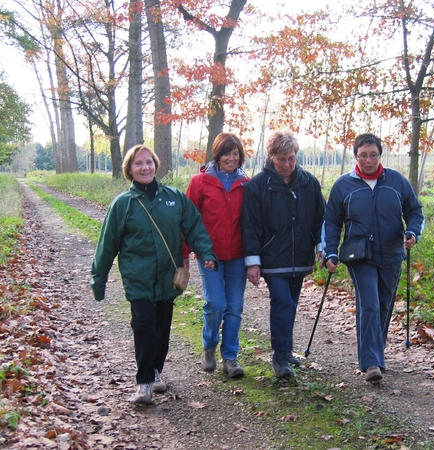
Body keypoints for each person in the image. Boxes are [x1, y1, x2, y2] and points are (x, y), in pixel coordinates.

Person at [90, 145, 217, 405]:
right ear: (130, 170)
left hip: (167, 278)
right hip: (138, 279)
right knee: (144, 326)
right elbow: (107, 244)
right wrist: (98, 279)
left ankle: (156, 369)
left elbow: (194, 227)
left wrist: (206, 252)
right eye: (138, 164)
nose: (145, 167)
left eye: (149, 162)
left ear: (156, 166)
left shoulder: (174, 198)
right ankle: (144, 383)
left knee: (161, 329)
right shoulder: (122, 204)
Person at [323, 133, 425, 383]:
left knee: (383, 305)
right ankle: (371, 363)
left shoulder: (396, 181)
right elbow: (332, 222)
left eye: (373, 155)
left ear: (380, 155)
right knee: (369, 304)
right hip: (359, 256)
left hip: (391, 253)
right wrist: (331, 251)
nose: (368, 160)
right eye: (362, 155)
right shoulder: (343, 185)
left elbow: (415, 211)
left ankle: (376, 355)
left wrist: (412, 232)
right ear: (355, 156)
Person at [242, 130, 325, 380]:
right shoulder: (258, 185)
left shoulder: (309, 183)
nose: (287, 164)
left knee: (292, 304)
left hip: (300, 257)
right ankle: (279, 357)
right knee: (283, 303)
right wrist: (253, 262)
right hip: (272, 258)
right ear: (271, 157)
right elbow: (250, 225)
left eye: (291, 158)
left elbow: (321, 217)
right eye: (281, 160)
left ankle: (286, 351)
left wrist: (321, 246)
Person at [184, 132, 249, 378]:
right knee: (215, 304)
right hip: (208, 255)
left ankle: (230, 357)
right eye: (226, 153)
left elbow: (252, 223)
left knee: (234, 307)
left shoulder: (246, 184)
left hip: (238, 256)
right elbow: (189, 221)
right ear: (217, 154)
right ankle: (209, 346)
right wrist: (187, 253)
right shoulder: (200, 182)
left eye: (235, 153)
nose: (231, 158)